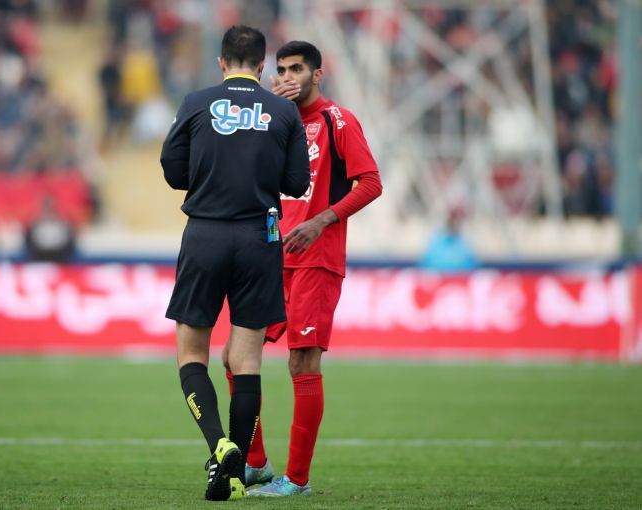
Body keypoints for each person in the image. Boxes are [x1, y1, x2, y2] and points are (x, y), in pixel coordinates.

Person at [221, 41, 383, 497]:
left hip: (316, 257)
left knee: (302, 361)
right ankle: (255, 464)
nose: (289, 76)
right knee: (234, 356)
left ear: (317, 74)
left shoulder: (338, 121)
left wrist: (321, 220)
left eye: (297, 69)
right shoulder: (275, 120)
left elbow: (371, 182)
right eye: (282, 69)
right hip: (271, 256)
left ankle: (297, 479)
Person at [160, 26, 310, 501]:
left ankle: (218, 445)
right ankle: (237, 472)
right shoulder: (284, 111)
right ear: (263, 66)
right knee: (246, 361)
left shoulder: (195, 102)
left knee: (191, 354)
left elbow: (171, 168)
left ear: (222, 63)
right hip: (259, 238)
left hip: (204, 233)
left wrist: (210, 173)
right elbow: (297, 182)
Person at [420, 206, 478, 272]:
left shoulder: (464, 242)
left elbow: (472, 265)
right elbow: (426, 264)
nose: (455, 223)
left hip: (460, 275)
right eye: (453, 220)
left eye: (457, 221)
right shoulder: (436, 241)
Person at [24, 195, 76, 262]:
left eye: (50, 206)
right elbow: (29, 242)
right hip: (38, 257)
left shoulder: (63, 223)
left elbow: (69, 243)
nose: (48, 209)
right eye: (46, 206)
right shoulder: (34, 223)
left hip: (60, 257)